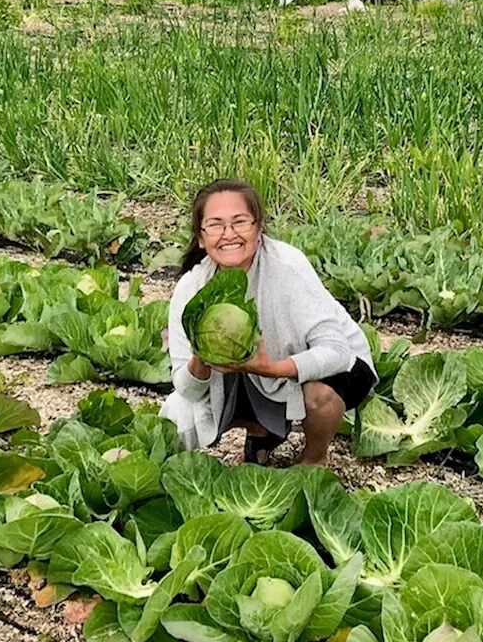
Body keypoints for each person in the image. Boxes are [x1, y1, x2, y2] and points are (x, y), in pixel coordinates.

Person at [161, 179, 377, 465]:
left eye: (240, 222)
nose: (229, 234)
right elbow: (187, 390)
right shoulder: (191, 289)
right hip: (250, 374)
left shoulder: (288, 267)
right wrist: (200, 358)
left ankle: (314, 459)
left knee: (319, 395)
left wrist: (272, 368)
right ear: (201, 237)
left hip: (342, 368)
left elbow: (337, 352)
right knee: (182, 409)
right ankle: (261, 429)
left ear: (259, 227)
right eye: (215, 225)